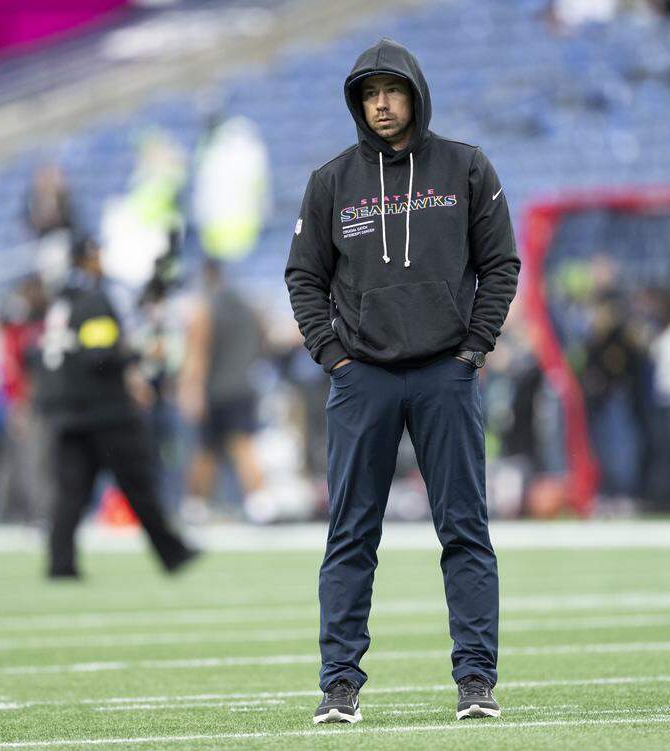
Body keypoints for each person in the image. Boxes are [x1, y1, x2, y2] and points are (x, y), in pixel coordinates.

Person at [285, 38, 520, 724]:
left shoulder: (467, 167)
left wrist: (475, 346)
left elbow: (501, 262)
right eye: (369, 93)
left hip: (447, 373)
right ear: (358, 103)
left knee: (465, 530)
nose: (381, 104)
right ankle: (339, 684)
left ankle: (476, 678)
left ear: (415, 92)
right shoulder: (331, 181)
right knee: (350, 534)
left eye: (392, 90)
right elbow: (304, 275)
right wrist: (333, 356)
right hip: (364, 380)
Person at [34, 237, 195, 579]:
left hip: (70, 410)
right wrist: (138, 355)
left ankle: (60, 562)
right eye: (96, 255)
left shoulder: (62, 301)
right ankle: (173, 553)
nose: (101, 261)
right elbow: (100, 355)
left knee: (71, 492)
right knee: (138, 482)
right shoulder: (91, 299)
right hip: (104, 411)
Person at [178, 260, 265, 517]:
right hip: (244, 384)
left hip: (215, 389)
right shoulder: (249, 307)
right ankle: (260, 505)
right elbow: (263, 341)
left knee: (207, 449)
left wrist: (191, 390)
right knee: (243, 445)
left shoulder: (205, 308)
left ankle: (196, 506)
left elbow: (198, 354)